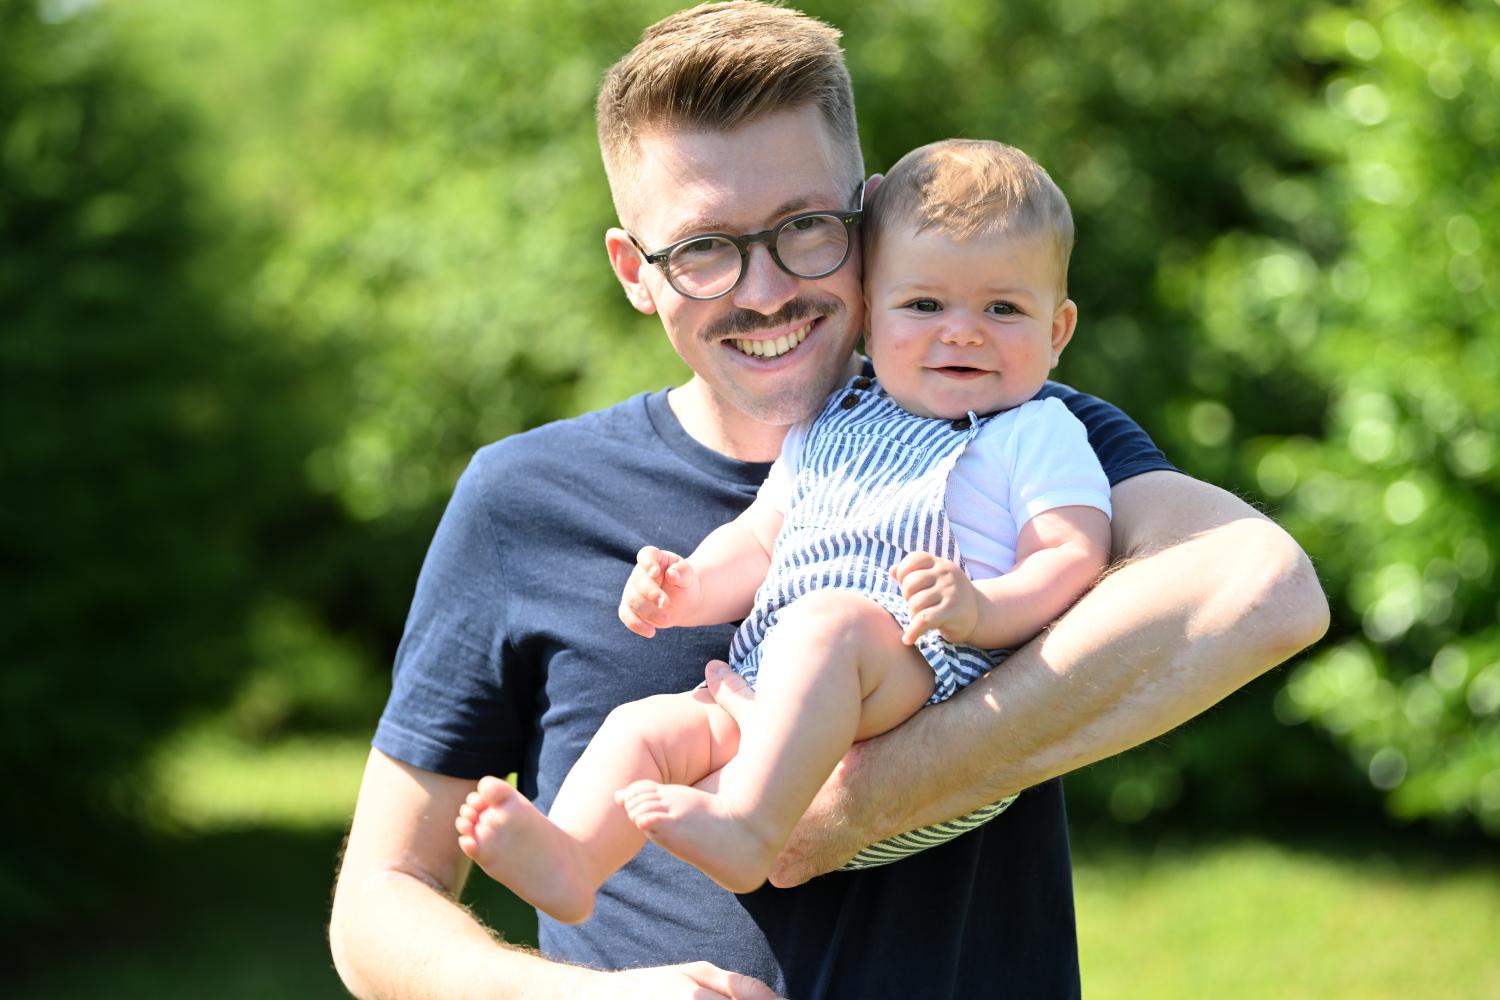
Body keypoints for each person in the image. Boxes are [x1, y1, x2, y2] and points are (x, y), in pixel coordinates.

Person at [328, 4, 1330, 999]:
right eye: (704, 248)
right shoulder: (526, 499)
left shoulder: (1013, 421)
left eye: (805, 228)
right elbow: (378, 904)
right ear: (636, 272)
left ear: (874, 215)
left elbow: (1266, 591)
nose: (764, 291)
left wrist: (852, 804)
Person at [454, 138, 1115, 920]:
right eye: (924, 305)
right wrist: (687, 586)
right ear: (871, 311)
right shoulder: (833, 422)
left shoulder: (1036, 431)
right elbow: (761, 539)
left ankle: (749, 827)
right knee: (648, 728)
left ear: (1058, 329)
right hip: (779, 684)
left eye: (1003, 308)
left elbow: (1073, 555)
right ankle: (573, 860)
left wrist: (981, 610)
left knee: (829, 621)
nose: (962, 332)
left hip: (927, 672)